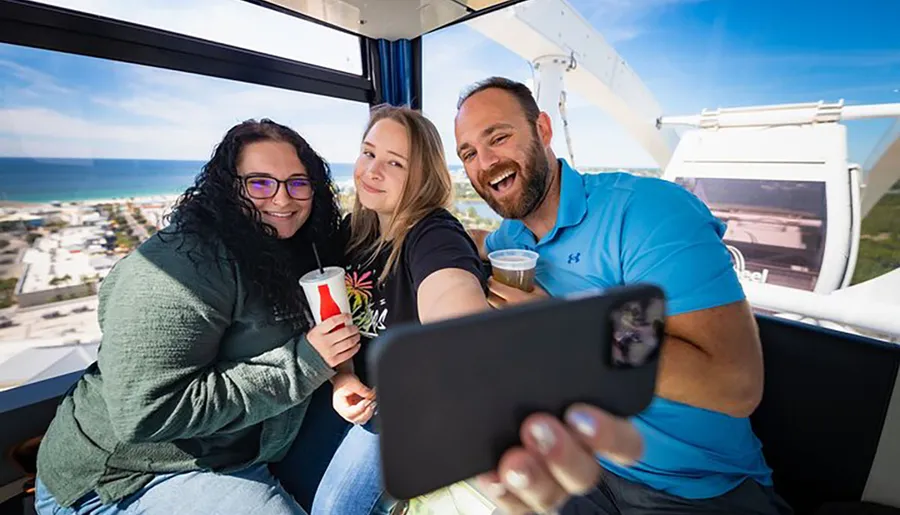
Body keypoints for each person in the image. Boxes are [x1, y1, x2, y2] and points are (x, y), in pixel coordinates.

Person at [454, 77, 793, 515]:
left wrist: (561, 326)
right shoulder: (512, 239)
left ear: (542, 129)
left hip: (693, 488)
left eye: (498, 137)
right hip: (577, 467)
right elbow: (479, 238)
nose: (485, 162)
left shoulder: (647, 213)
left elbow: (734, 384)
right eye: (468, 154)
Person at [33, 119, 362, 514]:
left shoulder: (286, 247)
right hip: (126, 477)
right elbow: (147, 411)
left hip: (241, 451)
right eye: (259, 183)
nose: (282, 199)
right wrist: (305, 363)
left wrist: (342, 376)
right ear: (227, 188)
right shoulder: (176, 270)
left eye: (297, 182)